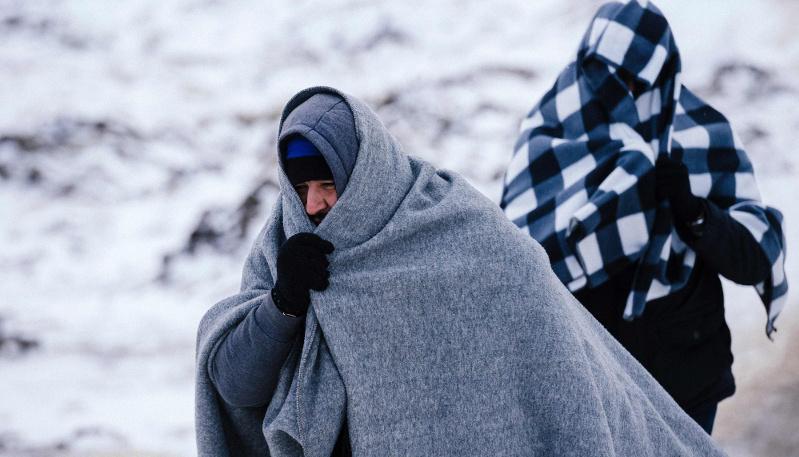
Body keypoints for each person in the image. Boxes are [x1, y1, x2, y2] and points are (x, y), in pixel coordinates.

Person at [195, 86, 725, 456]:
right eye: (301, 188)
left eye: (327, 185)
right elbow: (236, 389)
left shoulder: (454, 224)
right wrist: (283, 304)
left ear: (364, 170)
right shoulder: (284, 245)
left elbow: (555, 361)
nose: (313, 205)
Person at [500, 0, 788, 435]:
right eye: (609, 77)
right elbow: (520, 262)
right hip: (590, 385)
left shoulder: (698, 135)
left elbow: (753, 258)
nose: (624, 94)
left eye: (639, 81)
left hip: (686, 379)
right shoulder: (553, 131)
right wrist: (597, 220)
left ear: (664, 74)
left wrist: (695, 213)